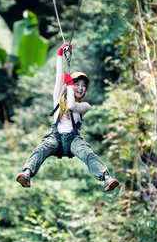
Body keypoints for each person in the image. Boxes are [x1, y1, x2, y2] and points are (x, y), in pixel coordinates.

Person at [16, 43, 119, 192]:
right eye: (77, 84)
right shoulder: (58, 99)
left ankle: (106, 178)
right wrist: (60, 56)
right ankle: (27, 173)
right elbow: (59, 76)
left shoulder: (84, 106)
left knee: (87, 153)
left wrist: (70, 84)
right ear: (69, 86)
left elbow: (71, 105)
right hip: (56, 137)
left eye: (83, 85)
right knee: (41, 149)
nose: (80, 88)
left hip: (73, 140)